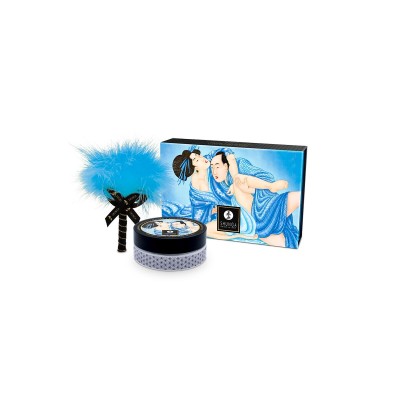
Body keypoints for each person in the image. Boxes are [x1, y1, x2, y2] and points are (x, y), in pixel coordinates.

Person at [209, 151, 300, 248]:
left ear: (226, 166)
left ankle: (270, 187)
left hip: (260, 206)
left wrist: (244, 187)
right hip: (247, 221)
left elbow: (267, 177)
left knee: (238, 179)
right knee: (208, 228)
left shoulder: (241, 165)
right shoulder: (218, 185)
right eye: (212, 167)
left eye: (217, 167)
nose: (214, 172)